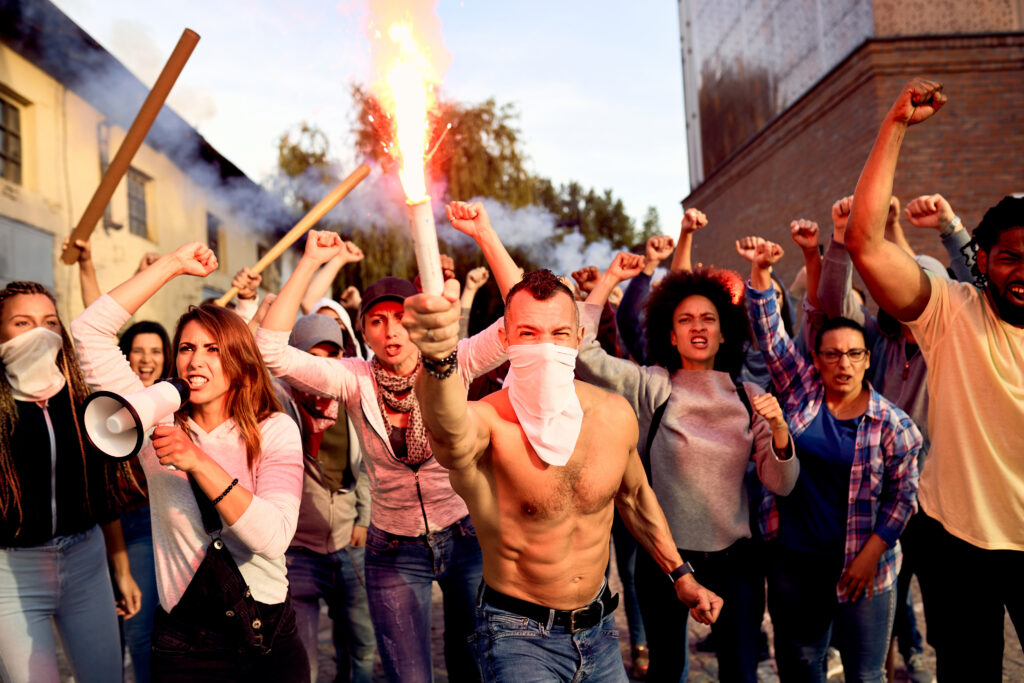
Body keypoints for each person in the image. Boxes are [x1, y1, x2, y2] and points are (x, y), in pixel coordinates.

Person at [402, 268, 723, 682]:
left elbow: (635, 497)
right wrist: (440, 360)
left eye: (558, 333)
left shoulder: (613, 414)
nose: (545, 348)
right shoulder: (489, 425)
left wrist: (681, 575)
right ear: (505, 340)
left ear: (577, 337)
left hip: (601, 631)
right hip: (517, 635)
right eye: (528, 334)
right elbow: (446, 430)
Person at [257, 212, 514, 683]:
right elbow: (270, 350)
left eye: (401, 318)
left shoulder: (453, 361)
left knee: (476, 666)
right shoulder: (353, 378)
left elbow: (520, 321)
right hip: (393, 548)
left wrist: (485, 235)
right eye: (378, 321)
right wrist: (312, 259)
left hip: (464, 537)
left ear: (420, 319)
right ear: (365, 331)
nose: (392, 331)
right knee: (407, 676)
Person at [843, 77, 1024, 680]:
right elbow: (864, 242)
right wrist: (893, 125)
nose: (1022, 272)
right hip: (959, 543)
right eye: (1010, 257)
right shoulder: (953, 313)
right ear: (985, 263)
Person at [71, 243, 308, 681]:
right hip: (185, 644)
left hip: (267, 635)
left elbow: (272, 537)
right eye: (185, 348)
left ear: (240, 359)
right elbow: (88, 332)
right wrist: (173, 265)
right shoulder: (151, 418)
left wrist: (196, 459)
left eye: (213, 349)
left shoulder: (275, 429)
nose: (196, 361)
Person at [577, 252, 798, 682]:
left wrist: (780, 431)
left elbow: (781, 483)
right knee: (667, 673)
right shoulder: (652, 384)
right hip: (667, 561)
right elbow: (583, 352)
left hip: (737, 564)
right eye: (685, 319)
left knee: (741, 673)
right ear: (671, 335)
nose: (698, 326)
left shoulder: (748, 394)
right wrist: (608, 280)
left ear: (723, 333)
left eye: (708, 319)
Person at [746, 239, 921, 682]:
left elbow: (903, 499)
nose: (843, 363)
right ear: (818, 360)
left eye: (854, 353)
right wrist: (762, 273)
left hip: (864, 567)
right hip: (795, 563)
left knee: (865, 674)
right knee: (803, 667)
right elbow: (771, 336)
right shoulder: (802, 391)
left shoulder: (893, 425)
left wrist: (870, 555)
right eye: (832, 354)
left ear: (867, 360)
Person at [0, 280, 141, 683]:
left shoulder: (83, 395)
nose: (39, 333)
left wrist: (121, 567)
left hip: (86, 562)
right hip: (13, 574)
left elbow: (103, 489)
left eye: (49, 322)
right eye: (22, 323)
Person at [275, 313, 375, 682]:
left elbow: (367, 465)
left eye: (331, 356)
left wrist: (364, 519)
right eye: (311, 357)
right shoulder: (279, 401)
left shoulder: (351, 400)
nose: (321, 368)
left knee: (361, 646)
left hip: (350, 547)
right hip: (297, 553)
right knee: (303, 661)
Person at [115, 320, 174, 683]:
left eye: (155, 351)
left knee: (141, 631)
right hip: (106, 526)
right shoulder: (109, 401)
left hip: (150, 521)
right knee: (119, 633)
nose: (146, 359)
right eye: (138, 350)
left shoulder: (173, 403)